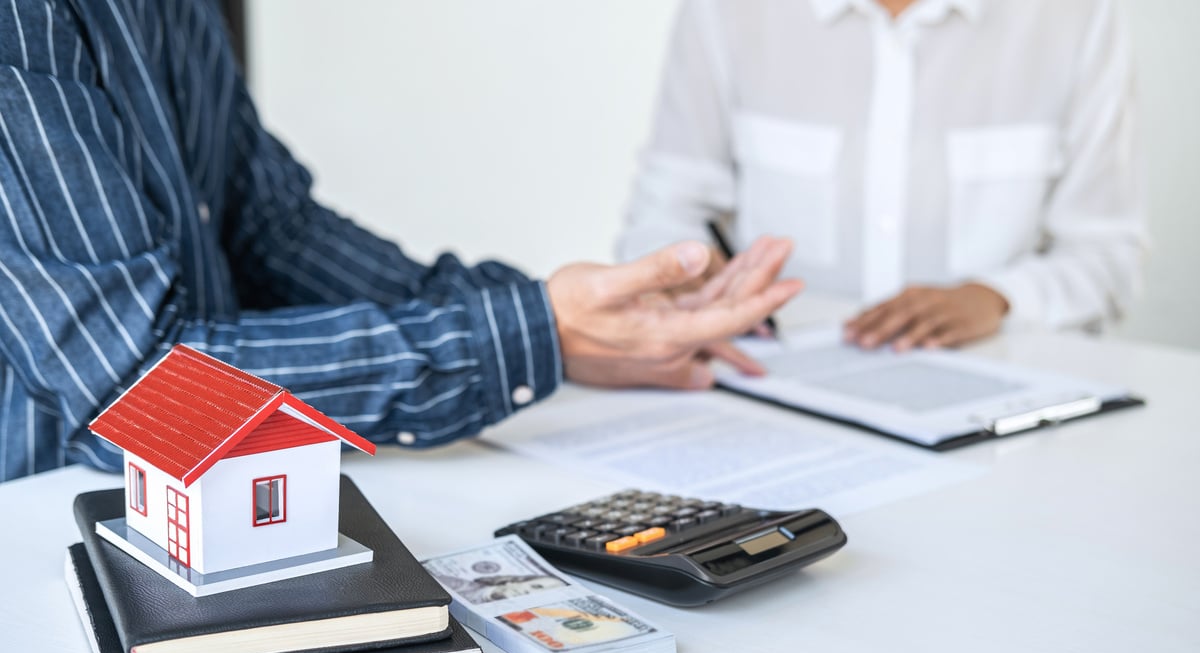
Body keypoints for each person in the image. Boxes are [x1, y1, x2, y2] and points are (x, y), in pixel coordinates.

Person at [0, 0, 803, 482]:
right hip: (46, 539)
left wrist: (572, 324)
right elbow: (141, 399)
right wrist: (536, 332)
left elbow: (270, 228)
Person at [618, 0, 1147, 351]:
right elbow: (665, 210)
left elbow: (1106, 254)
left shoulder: (1076, 17)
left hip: (1003, 412)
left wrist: (998, 296)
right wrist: (688, 280)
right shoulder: (726, 12)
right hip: (771, 395)